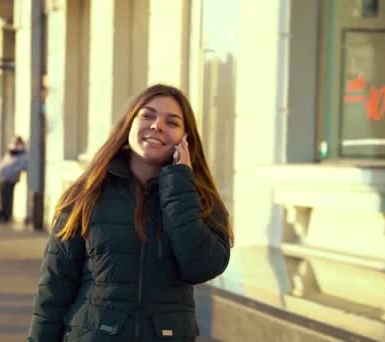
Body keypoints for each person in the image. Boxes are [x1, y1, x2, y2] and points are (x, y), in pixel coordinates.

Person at [27, 84, 234, 341]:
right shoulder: (86, 194)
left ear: (186, 138)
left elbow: (201, 267)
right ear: (129, 125)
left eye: (172, 122)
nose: (157, 125)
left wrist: (179, 185)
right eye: (147, 115)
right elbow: (54, 289)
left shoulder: (198, 199)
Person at [0, 136, 28, 222]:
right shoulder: (10, 153)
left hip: (12, 178)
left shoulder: (23, 154)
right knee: (2, 197)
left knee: (8, 197)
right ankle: (2, 213)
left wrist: (13, 172)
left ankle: (7, 214)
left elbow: (22, 166)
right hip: (4, 177)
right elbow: (3, 164)